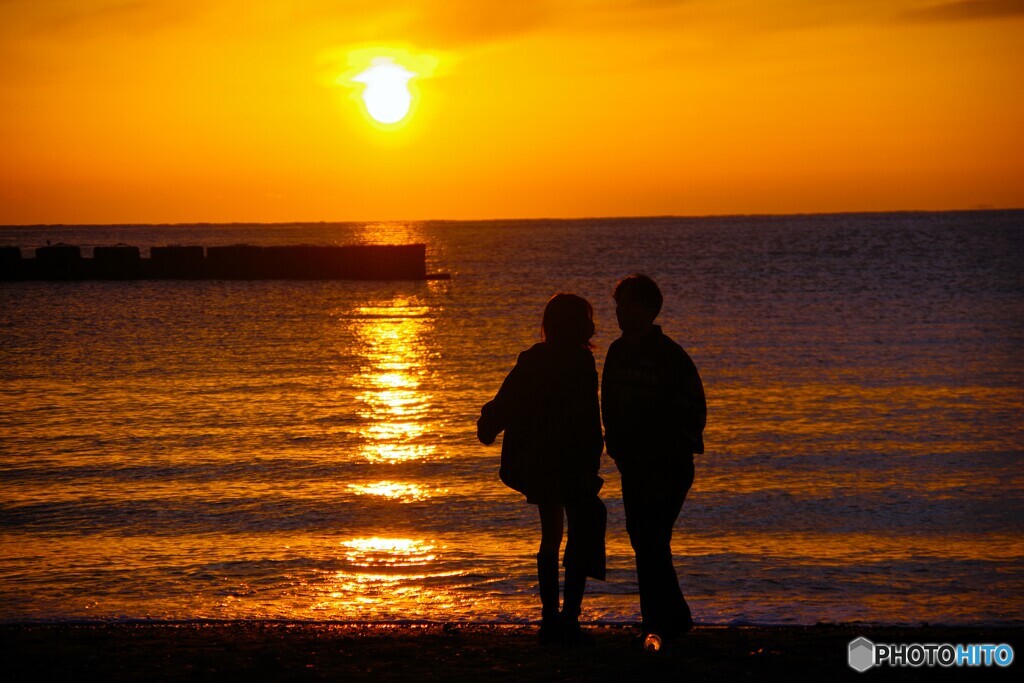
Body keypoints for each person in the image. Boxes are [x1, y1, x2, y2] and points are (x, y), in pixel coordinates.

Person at [477, 293, 606, 645]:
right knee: (578, 534)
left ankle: (552, 618)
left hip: (540, 462)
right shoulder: (580, 361)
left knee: (552, 535)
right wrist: (594, 458)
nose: (594, 325)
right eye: (588, 318)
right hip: (569, 462)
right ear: (578, 325)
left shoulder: (533, 359)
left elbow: (506, 401)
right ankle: (569, 617)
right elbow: (588, 418)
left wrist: (488, 425)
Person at [601, 274, 706, 648]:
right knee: (643, 538)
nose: (621, 312)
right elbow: (608, 404)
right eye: (618, 305)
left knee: (651, 537)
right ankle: (672, 615)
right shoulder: (616, 352)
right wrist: (614, 446)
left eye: (629, 304)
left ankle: (657, 620)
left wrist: (672, 446)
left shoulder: (670, 356)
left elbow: (694, 410)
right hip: (633, 463)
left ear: (648, 309)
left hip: (667, 464)